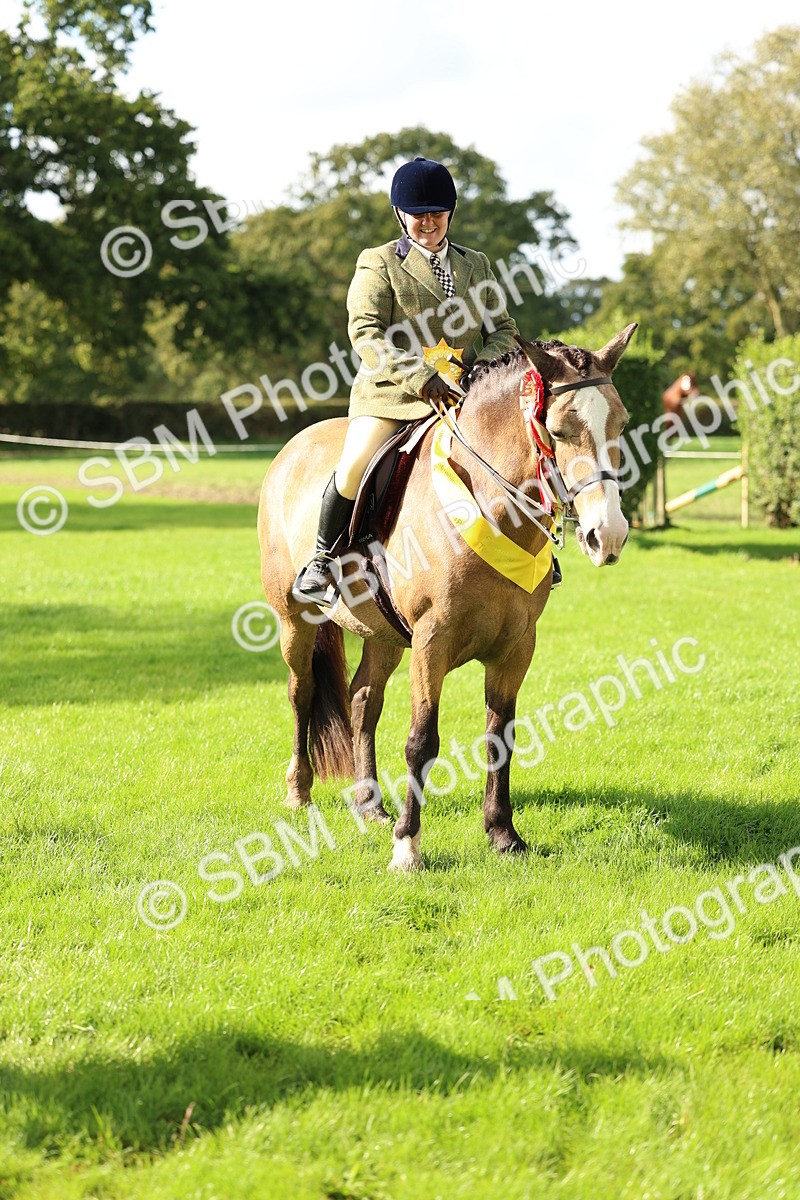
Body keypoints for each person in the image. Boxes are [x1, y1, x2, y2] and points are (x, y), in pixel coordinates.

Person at [295, 155, 520, 603]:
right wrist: (420, 376)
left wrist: (482, 374)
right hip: (393, 396)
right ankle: (322, 559)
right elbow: (366, 333)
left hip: (465, 395)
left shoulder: (476, 264)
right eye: (418, 214)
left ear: (450, 212)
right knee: (356, 462)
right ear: (400, 214)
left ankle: (530, 552)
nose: (428, 222)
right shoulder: (378, 263)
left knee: (518, 451)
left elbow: (505, 331)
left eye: (436, 213)